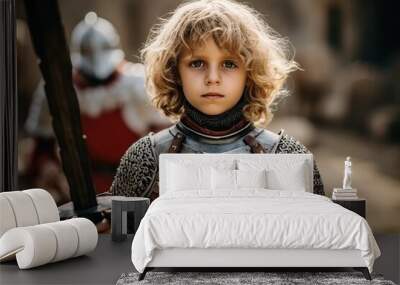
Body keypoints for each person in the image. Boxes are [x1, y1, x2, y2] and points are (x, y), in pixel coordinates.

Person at [110, 0, 325, 201]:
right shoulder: (147, 157)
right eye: (197, 63)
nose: (212, 78)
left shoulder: (286, 154)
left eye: (229, 64)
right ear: (175, 71)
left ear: (249, 73)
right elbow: (116, 236)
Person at [24, 12, 170, 197]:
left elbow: (166, 141)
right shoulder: (57, 90)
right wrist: (48, 169)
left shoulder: (136, 84)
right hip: (79, 192)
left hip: (136, 189)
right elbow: (41, 148)